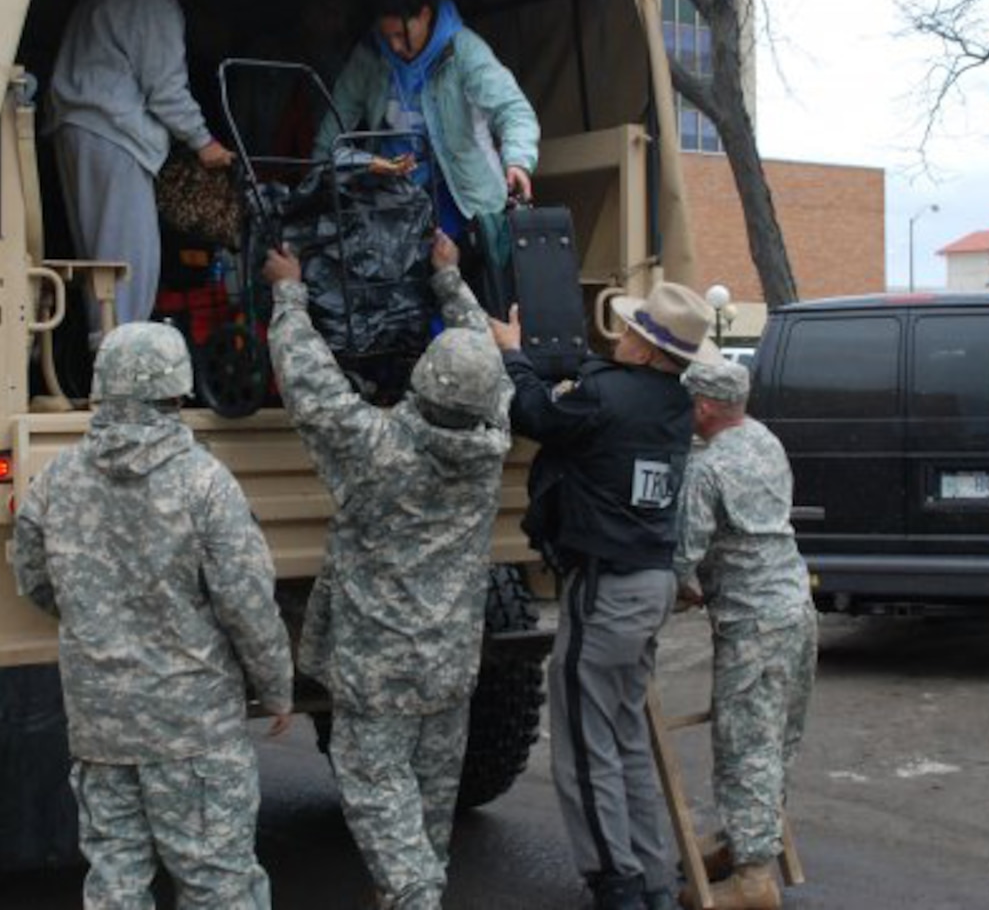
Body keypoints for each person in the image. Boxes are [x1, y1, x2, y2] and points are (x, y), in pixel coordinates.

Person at [262, 231, 512, 910]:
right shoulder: (492, 443)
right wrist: (451, 282)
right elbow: (486, 363)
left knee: (376, 788)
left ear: (423, 381)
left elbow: (310, 386)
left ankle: (411, 897)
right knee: (427, 797)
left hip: (379, 666)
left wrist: (289, 291)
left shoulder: (375, 449)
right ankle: (406, 889)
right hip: (450, 661)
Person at [10, 323, 294, 910]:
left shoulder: (55, 482)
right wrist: (276, 688)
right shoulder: (205, 485)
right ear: (177, 391)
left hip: (100, 726)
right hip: (193, 731)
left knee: (115, 884)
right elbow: (246, 603)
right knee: (219, 886)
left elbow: (35, 581)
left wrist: (96, 622)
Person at [489, 283, 722, 910]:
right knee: (622, 738)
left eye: (630, 334)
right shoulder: (674, 405)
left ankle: (613, 883)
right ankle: (651, 877)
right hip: (649, 583)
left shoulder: (606, 396)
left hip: (608, 588)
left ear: (646, 352)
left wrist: (513, 354)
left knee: (587, 747)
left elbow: (534, 417)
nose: (617, 339)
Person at [675, 359, 817, 910]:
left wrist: (668, 595)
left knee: (745, 747)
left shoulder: (706, 469)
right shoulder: (765, 441)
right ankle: (742, 844)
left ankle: (754, 879)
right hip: (795, 608)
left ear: (704, 407)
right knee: (775, 739)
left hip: (752, 622)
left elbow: (682, 557)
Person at [46, 0, 235, 339]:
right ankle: (125, 360)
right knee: (129, 259)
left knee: (98, 262)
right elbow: (166, 89)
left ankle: (106, 350)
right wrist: (204, 142)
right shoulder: (151, 0)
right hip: (116, 134)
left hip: (74, 126)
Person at [314, 0, 539, 263]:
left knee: (451, 269)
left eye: (400, 35)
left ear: (424, 15)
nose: (394, 46)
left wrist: (517, 160)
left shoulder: (463, 49)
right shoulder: (370, 55)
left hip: (460, 192)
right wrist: (317, 181)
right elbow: (337, 119)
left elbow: (512, 108)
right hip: (393, 193)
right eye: (387, 36)